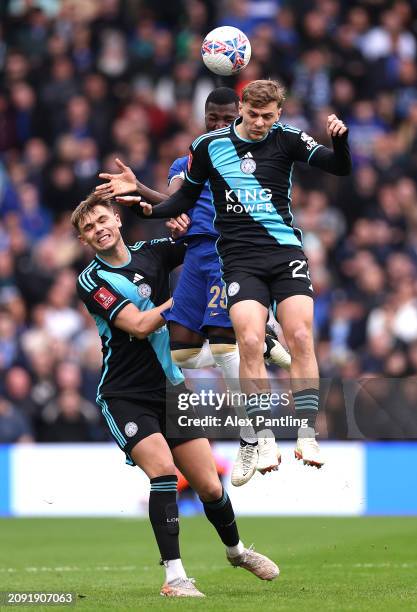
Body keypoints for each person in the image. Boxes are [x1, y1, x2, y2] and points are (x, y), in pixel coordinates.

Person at [124, 79, 352, 470]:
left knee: (299, 334)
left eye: (268, 116)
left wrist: (340, 140)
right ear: (242, 107)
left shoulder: (289, 138)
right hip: (240, 259)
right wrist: (147, 211)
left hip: (285, 254)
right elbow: (183, 199)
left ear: (278, 113)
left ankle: (308, 436)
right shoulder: (209, 147)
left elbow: (340, 167)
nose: (261, 122)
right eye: (254, 114)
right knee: (246, 340)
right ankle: (262, 439)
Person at [73, 193, 279, 598]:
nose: (98, 230)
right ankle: (175, 578)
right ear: (84, 240)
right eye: (88, 228)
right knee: (164, 472)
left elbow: (201, 243)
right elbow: (138, 324)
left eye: (101, 220)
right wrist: (181, 301)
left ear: (116, 218)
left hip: (171, 387)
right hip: (125, 394)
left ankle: (236, 552)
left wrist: (184, 226)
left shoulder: (150, 252)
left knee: (210, 486)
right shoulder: (91, 281)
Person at [95, 87, 291, 487]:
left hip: (227, 254)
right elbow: (175, 201)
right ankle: (257, 340)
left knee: (221, 345)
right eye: (212, 119)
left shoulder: (245, 157)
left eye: (225, 119)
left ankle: (252, 437)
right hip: (195, 258)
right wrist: (138, 192)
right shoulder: (191, 158)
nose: (219, 125)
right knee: (183, 352)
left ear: (237, 114)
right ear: (204, 118)